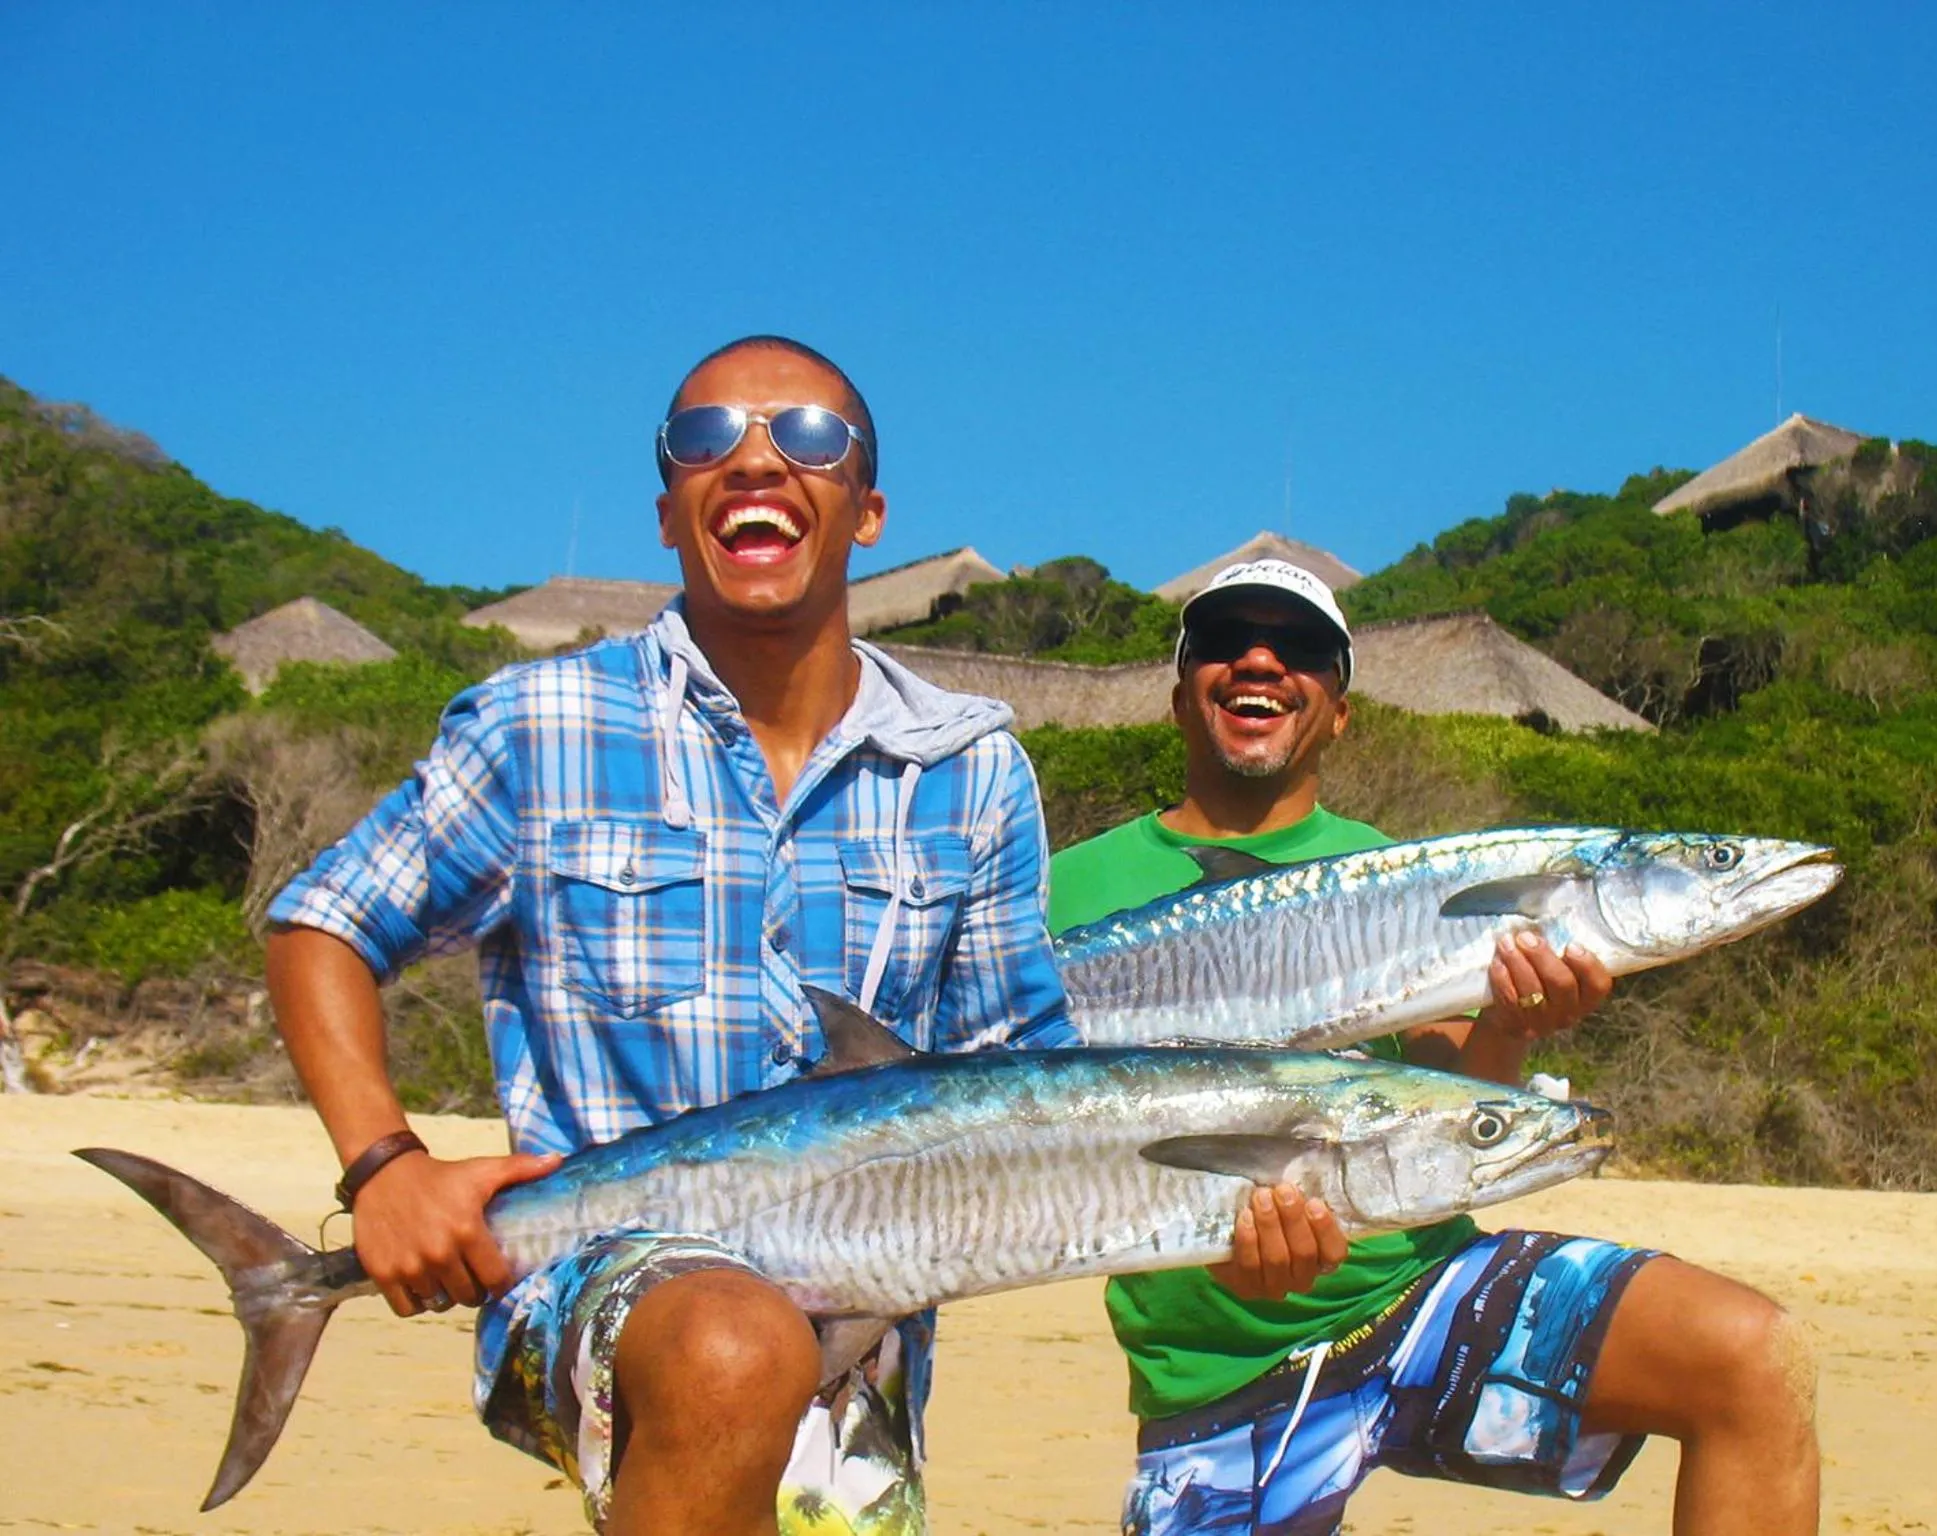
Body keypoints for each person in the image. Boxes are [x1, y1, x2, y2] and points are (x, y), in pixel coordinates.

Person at [266, 335, 1073, 1536]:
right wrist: (384, 1165)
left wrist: (1229, 1211)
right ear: (664, 515)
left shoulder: (971, 770)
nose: (754, 460)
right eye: (706, 439)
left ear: (867, 511)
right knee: (731, 1343)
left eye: (808, 437)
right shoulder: (539, 728)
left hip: (862, 1322)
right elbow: (322, 925)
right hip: (595, 1278)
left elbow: (1025, 1071)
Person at [1047, 559, 1819, 1536]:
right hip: (1220, 1366)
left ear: (1339, 713)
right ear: (1177, 695)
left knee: (1750, 1358)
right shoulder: (1058, 896)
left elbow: (1456, 1094)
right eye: (1224, 642)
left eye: (1301, 649)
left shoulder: (1393, 868)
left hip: (1423, 1294)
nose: (1260, 661)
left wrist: (1510, 1023)